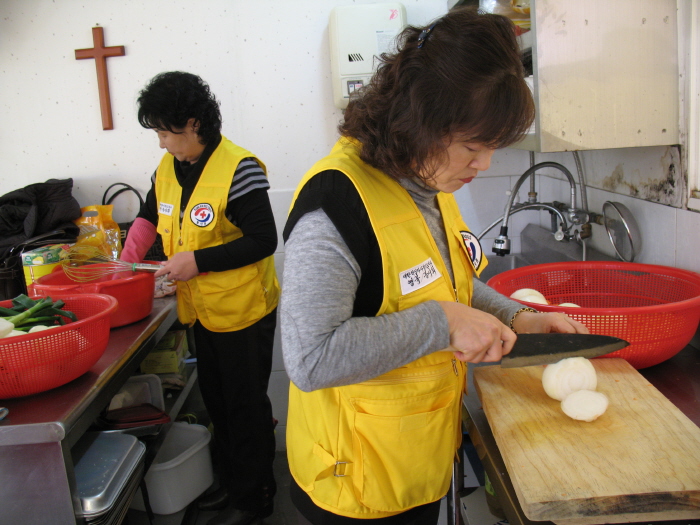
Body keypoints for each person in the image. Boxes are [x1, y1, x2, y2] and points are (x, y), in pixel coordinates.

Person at [280, 7, 588, 525]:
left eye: (492, 147)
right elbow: (310, 360)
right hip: (356, 482)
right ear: (420, 120)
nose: (484, 164)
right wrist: (442, 324)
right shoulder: (336, 203)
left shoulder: (428, 180)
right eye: (473, 146)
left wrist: (517, 318)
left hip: (416, 458)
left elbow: (454, 283)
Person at [121, 71, 279, 525]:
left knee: (245, 407)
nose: (161, 143)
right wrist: (125, 268)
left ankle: (255, 499)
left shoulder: (239, 167)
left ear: (192, 124)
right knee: (216, 402)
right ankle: (231, 484)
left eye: (165, 132)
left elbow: (263, 240)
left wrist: (199, 261)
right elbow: (149, 219)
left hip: (244, 312)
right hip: (200, 312)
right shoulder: (168, 168)